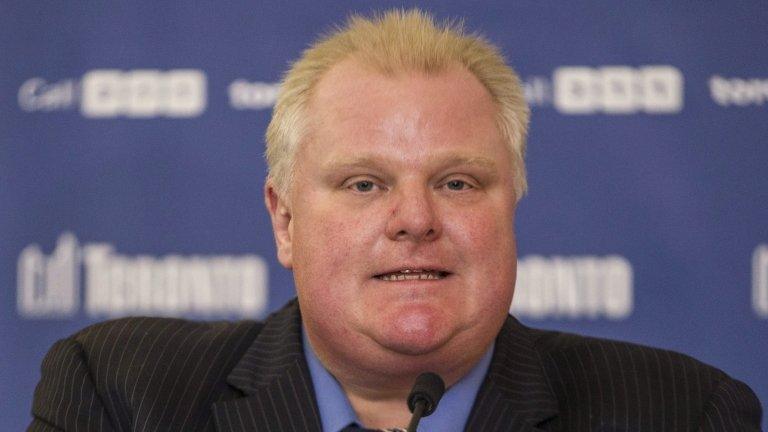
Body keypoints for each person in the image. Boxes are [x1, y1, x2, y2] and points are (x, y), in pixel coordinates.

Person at [29, 9, 761, 432]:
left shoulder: (686, 413)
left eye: (456, 181)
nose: (414, 219)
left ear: (512, 206)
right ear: (284, 220)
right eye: (364, 183)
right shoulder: (119, 394)